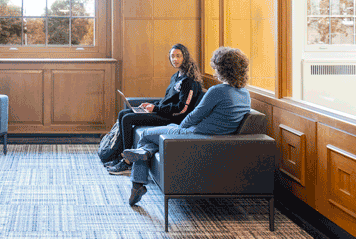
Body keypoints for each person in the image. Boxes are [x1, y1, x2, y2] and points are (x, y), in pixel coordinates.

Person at [121, 47, 252, 206]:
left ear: (222, 68)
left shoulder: (218, 91)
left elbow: (194, 116)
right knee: (150, 142)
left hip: (193, 137)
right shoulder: (245, 94)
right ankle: (144, 156)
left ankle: (138, 183)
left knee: (145, 135)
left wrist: (178, 130)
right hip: (211, 140)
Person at [105, 44, 203, 175]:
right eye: (172, 56)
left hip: (173, 118)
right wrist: (150, 105)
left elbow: (182, 109)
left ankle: (127, 163)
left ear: (185, 57)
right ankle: (121, 156)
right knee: (123, 114)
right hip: (164, 112)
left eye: (178, 56)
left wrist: (156, 108)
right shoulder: (176, 76)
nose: (175, 59)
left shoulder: (189, 81)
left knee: (128, 119)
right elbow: (167, 100)